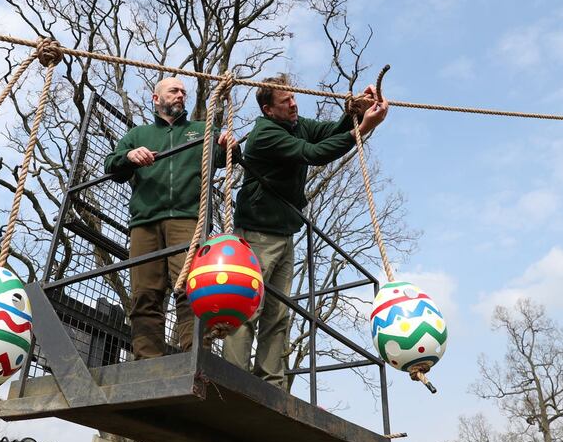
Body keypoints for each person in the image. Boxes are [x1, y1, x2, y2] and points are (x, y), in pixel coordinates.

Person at [222, 73, 389, 387]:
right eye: (286, 101)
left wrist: (355, 112)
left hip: (285, 233)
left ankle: (271, 382)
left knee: (278, 313)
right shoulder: (265, 134)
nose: (294, 104)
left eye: (294, 97)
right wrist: (363, 129)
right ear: (269, 109)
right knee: (248, 307)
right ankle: (234, 377)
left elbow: (328, 132)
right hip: (257, 233)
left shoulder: (295, 124)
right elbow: (313, 154)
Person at [104, 77, 233, 360]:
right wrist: (128, 156)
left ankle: (195, 356)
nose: (180, 96)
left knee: (191, 289)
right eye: (173, 91)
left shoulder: (201, 130)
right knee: (144, 295)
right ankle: (146, 362)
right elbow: (111, 165)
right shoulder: (138, 134)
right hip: (145, 222)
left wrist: (226, 143)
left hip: (188, 219)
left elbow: (226, 158)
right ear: (156, 98)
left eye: (183, 92)